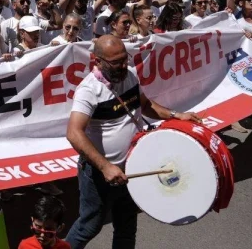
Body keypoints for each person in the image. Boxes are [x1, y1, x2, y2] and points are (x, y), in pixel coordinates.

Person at [65, 35, 200, 249]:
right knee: (89, 227)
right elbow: (74, 133)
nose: (122, 66)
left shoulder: (130, 74)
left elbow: (145, 105)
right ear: (97, 61)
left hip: (132, 168)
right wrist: (105, 167)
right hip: (100, 174)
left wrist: (176, 115)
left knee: (126, 226)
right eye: (115, 62)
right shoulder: (88, 90)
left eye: (124, 59)